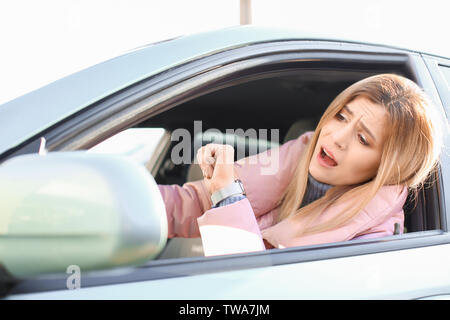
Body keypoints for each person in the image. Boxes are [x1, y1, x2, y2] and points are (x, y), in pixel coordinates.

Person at [158, 73, 443, 256]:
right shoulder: (292, 160)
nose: (336, 136)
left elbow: (250, 293)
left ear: (387, 169)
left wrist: (227, 195)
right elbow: (188, 205)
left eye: (363, 139)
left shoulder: (374, 246)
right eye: (341, 117)